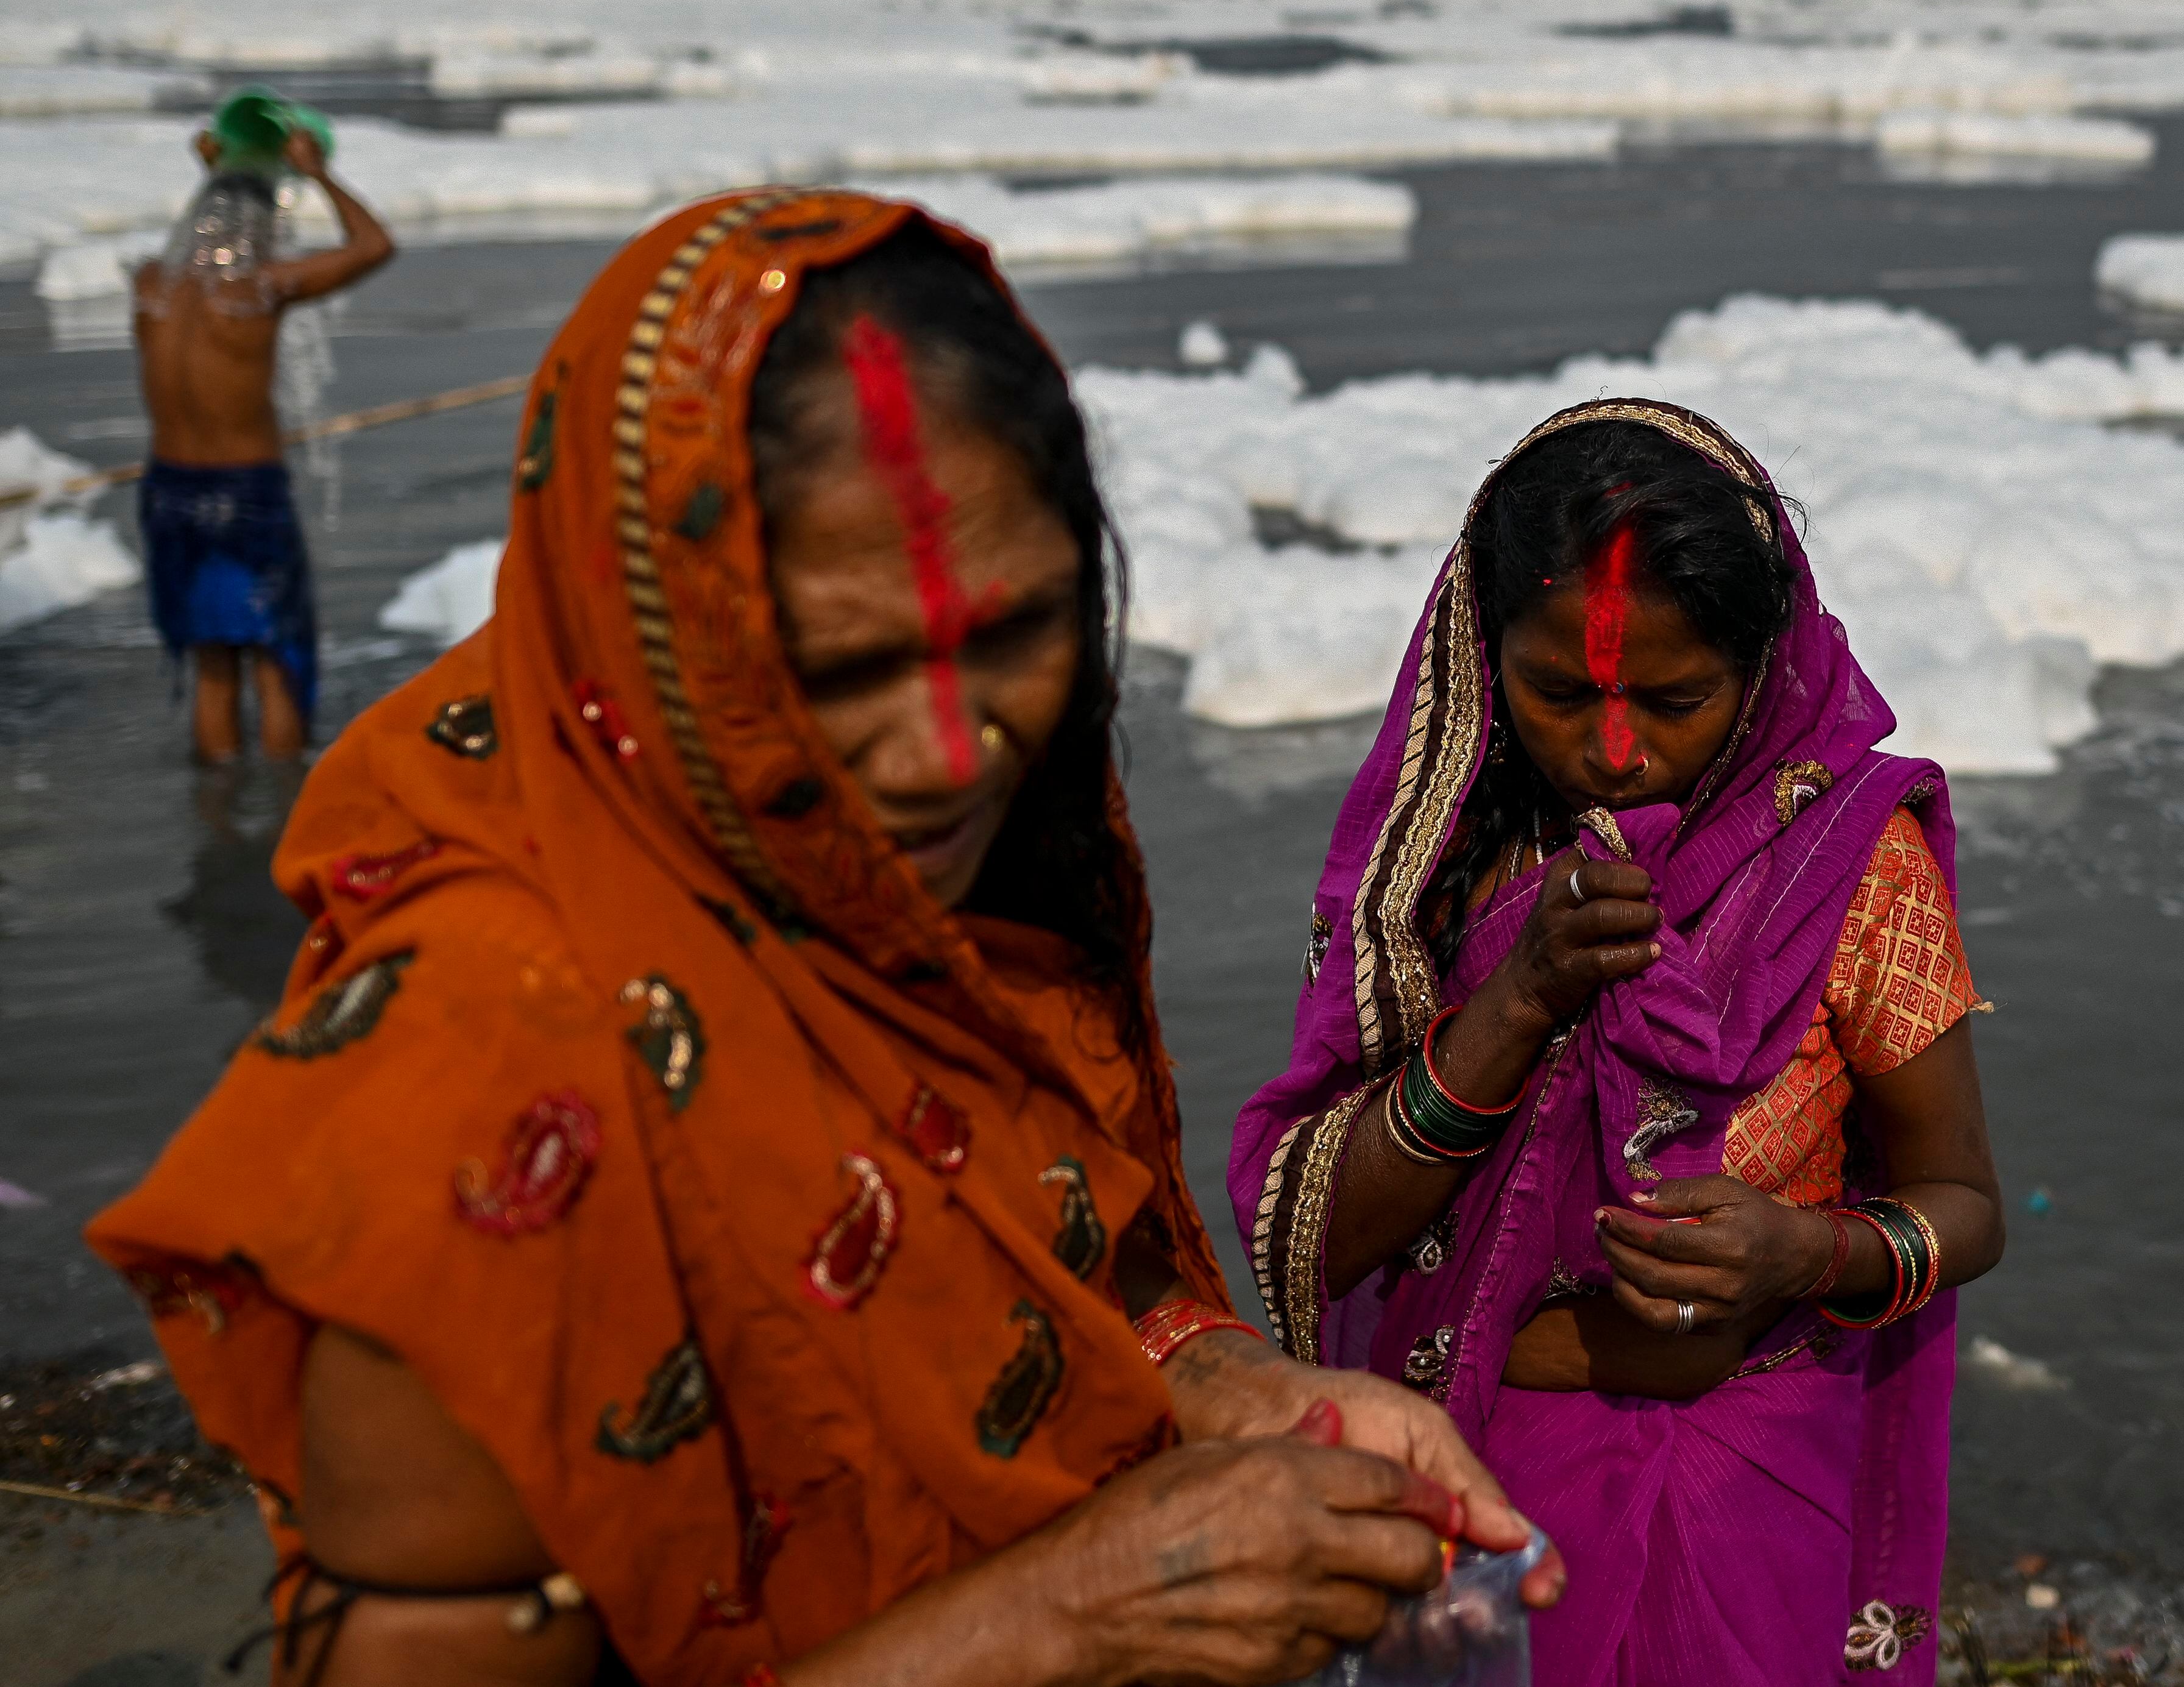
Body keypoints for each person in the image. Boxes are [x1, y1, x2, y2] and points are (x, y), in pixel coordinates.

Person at [88, 191, 1559, 1686]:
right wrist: (1067, 1612)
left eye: (1016, 633)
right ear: (650, 633)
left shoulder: (940, 881)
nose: (944, 748)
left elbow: (1046, 1272)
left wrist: (1226, 1381)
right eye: (836, 665)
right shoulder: (481, 1078)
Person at [1229, 402, 2007, 1686]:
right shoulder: (1435, 874)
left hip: (1741, 1473)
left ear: (1760, 667)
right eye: (1555, 693)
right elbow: (1312, 1235)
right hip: (1470, 1474)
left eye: (1676, 697)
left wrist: (1801, 1251)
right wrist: (1518, 997)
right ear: (1487, 662)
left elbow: (1965, 1204)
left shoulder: (1855, 862)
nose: (1613, 748)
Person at [135, 126, 394, 762]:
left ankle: (218, 819)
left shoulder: (150, 288)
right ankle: (283, 814)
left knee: (213, 668)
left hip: (168, 493)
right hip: (244, 494)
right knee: (276, 659)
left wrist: (219, 175)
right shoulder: (257, 289)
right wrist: (319, 176)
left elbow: (205, 237)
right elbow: (374, 245)